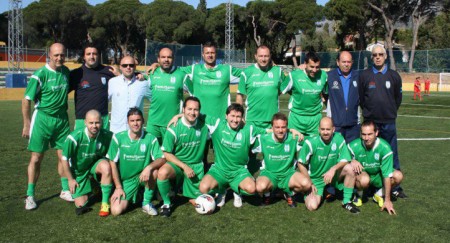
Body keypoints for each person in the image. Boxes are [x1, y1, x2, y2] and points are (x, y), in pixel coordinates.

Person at [22, 43, 73, 210]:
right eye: (56, 55)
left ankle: (65, 190)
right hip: (43, 120)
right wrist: (27, 123)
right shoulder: (40, 74)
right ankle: (30, 195)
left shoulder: (65, 72)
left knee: (63, 156)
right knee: (36, 158)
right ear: (49, 55)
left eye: (62, 55)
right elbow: (26, 99)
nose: (59, 58)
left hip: (62, 120)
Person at [358, 44, 406, 198]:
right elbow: (361, 98)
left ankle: (395, 187)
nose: (377, 57)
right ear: (371, 57)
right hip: (371, 123)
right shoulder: (364, 75)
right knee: (371, 155)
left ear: (385, 57)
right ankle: (372, 186)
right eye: (374, 55)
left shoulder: (394, 76)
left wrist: (389, 111)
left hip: (388, 121)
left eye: (380, 54)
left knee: (392, 153)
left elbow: (397, 99)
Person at [198, 103, 263, 208]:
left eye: (238, 117)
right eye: (232, 116)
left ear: (242, 118)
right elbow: (197, 114)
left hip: (239, 171)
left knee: (251, 189)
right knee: (203, 188)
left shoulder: (248, 129)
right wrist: (179, 115)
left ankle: (237, 191)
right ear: (226, 116)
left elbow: (269, 131)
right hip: (219, 170)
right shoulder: (217, 125)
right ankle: (222, 191)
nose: (235, 120)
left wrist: (289, 130)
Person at [107, 108, 166, 216]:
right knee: (116, 211)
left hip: (144, 176)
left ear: (143, 121)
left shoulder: (150, 138)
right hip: (127, 181)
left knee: (154, 172)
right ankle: (137, 194)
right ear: (127, 122)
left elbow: (161, 158)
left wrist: (148, 167)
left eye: (138, 120)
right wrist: (118, 187)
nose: (135, 123)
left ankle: (146, 203)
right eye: (132, 121)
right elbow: (112, 163)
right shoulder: (118, 138)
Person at [157, 97, 209, 217]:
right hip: (178, 164)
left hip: (196, 166)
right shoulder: (174, 128)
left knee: (197, 199)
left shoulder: (204, 126)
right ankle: (166, 203)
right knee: (162, 173)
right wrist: (184, 166)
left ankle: (180, 188)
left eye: (196, 110)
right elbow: (166, 153)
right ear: (183, 110)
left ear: (199, 111)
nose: (192, 112)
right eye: (189, 109)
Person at [298, 117, 359, 214]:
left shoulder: (338, 138)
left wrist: (333, 169)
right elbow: (300, 163)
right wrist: (309, 182)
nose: (325, 132)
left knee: (350, 168)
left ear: (333, 129)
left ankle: (346, 201)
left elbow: (346, 159)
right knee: (312, 206)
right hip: (316, 179)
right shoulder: (310, 142)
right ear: (319, 129)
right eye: (322, 129)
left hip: (333, 175)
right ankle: (316, 191)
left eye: (328, 129)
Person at [61, 110, 113, 216]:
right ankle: (94, 184)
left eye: (97, 122)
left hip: (95, 165)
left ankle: (105, 204)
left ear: (102, 122)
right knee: (81, 203)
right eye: (91, 123)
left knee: (106, 167)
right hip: (79, 172)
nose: (94, 126)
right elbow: (64, 159)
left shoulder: (107, 135)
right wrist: (70, 180)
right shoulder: (74, 137)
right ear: (85, 122)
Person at [254, 113, 311, 207]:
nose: (280, 130)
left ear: (287, 127)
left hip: (288, 174)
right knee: (260, 187)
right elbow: (247, 140)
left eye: (283, 127)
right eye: (277, 127)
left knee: (306, 184)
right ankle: (267, 195)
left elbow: (313, 142)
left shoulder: (294, 138)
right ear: (272, 127)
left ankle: (289, 193)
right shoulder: (263, 139)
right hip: (269, 174)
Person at [348, 121, 403, 215]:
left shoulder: (385, 148)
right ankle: (359, 195)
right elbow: (341, 160)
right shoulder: (353, 146)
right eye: (364, 134)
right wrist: (351, 161)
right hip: (363, 175)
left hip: (378, 175)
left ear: (376, 133)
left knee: (398, 176)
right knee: (364, 180)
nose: (366, 138)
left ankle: (378, 194)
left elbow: (387, 175)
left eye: (370, 134)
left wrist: (387, 200)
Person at [69, 43, 119, 130]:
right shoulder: (76, 74)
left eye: (94, 54)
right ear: (84, 57)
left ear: (98, 55)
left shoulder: (108, 71)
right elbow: (61, 92)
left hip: (102, 119)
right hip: (82, 120)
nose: (92, 56)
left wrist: (121, 75)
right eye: (88, 54)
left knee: (104, 144)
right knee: (82, 144)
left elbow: (127, 78)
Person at [146, 47, 190, 144]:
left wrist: (183, 114)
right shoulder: (151, 73)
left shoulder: (182, 75)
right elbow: (135, 77)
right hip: (153, 124)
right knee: (150, 155)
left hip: (173, 123)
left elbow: (195, 95)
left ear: (173, 59)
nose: (166, 60)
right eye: (163, 57)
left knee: (170, 154)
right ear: (158, 59)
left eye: (169, 57)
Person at [236, 45, 286, 130]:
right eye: (260, 56)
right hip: (251, 121)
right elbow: (239, 96)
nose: (263, 59)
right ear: (256, 56)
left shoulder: (278, 71)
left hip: (272, 122)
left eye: (266, 56)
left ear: (270, 56)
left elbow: (283, 89)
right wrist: (238, 117)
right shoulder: (247, 72)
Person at [280, 51, 328, 138]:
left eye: (317, 67)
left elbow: (326, 94)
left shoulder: (323, 75)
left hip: (315, 119)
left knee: (314, 149)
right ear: (305, 64)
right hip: (296, 118)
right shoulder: (294, 75)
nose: (314, 70)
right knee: (293, 148)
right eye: (312, 67)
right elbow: (281, 90)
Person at [108, 56, 150, 134]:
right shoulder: (112, 82)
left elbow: (155, 100)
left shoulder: (143, 83)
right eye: (125, 65)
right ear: (120, 67)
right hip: (116, 131)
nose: (128, 67)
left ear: (135, 66)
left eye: (131, 65)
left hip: (135, 132)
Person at [326, 51, 360, 143]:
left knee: (352, 154)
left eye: (348, 62)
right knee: (336, 155)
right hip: (336, 125)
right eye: (343, 62)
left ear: (352, 63)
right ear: (338, 62)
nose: (346, 64)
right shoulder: (329, 76)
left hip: (353, 125)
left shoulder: (358, 76)